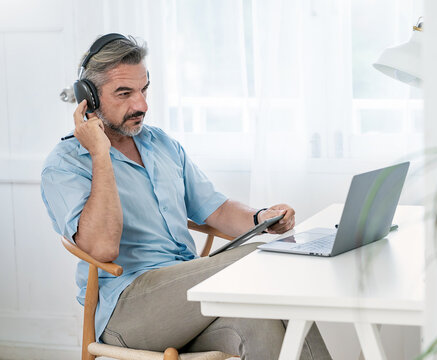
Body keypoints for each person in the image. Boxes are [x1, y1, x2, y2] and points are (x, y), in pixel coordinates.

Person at [41, 34, 331, 359]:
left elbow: (216, 209)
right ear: (89, 99)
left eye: (144, 89)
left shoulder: (161, 144)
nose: (141, 105)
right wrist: (100, 154)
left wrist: (260, 218)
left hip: (187, 299)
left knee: (269, 323)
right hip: (128, 310)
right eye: (124, 93)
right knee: (258, 257)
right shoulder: (65, 164)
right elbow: (103, 248)